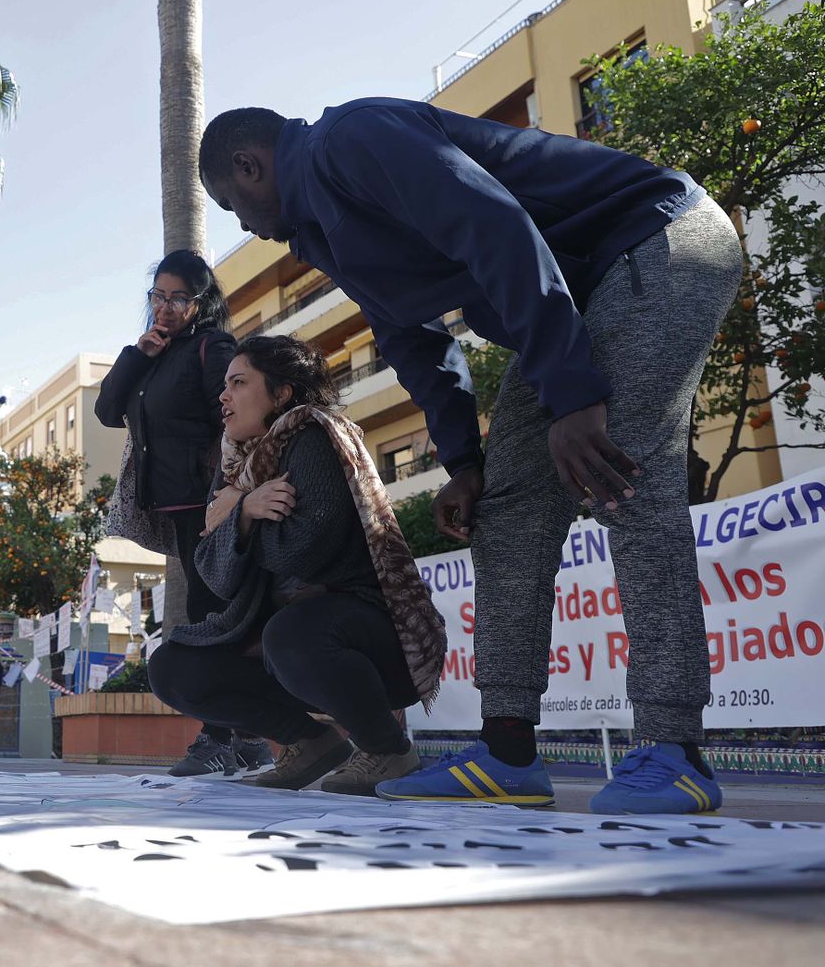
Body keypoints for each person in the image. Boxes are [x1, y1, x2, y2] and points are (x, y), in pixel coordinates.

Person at [199, 99, 743, 814]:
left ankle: (675, 749)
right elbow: (413, 339)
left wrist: (572, 393)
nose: (243, 225)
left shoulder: (350, 141)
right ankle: (508, 751)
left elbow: (496, 226)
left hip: (653, 240)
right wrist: (463, 461)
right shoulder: (325, 231)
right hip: (573, 300)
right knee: (506, 510)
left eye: (231, 205)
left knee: (622, 477)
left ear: (249, 166)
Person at [147, 336, 446, 794]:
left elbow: (303, 551)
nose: (223, 396)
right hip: (285, 646)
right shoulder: (235, 464)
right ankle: (309, 744)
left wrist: (237, 515)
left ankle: (387, 749)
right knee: (173, 667)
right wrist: (245, 511)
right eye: (224, 385)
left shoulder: (314, 437)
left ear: (282, 392)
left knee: (291, 634)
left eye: (239, 383)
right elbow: (214, 574)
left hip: (373, 642)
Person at [94, 251, 272, 780]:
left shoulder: (212, 347)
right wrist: (138, 354)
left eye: (178, 298)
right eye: (158, 296)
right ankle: (247, 739)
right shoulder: (155, 354)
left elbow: (235, 412)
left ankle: (223, 738)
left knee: (210, 615)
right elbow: (107, 411)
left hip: (211, 504)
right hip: (179, 507)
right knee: (212, 613)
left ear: (200, 303)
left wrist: (230, 489)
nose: (166, 307)